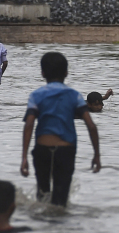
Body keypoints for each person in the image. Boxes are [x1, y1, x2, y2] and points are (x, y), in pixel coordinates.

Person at [20, 52, 102, 207]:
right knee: (61, 199)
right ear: (66, 73)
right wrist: (97, 155)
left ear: (42, 73)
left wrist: (24, 157)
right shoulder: (74, 96)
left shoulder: (36, 95)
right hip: (66, 150)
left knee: (42, 194)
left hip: (42, 149)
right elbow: (91, 126)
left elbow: (29, 125)